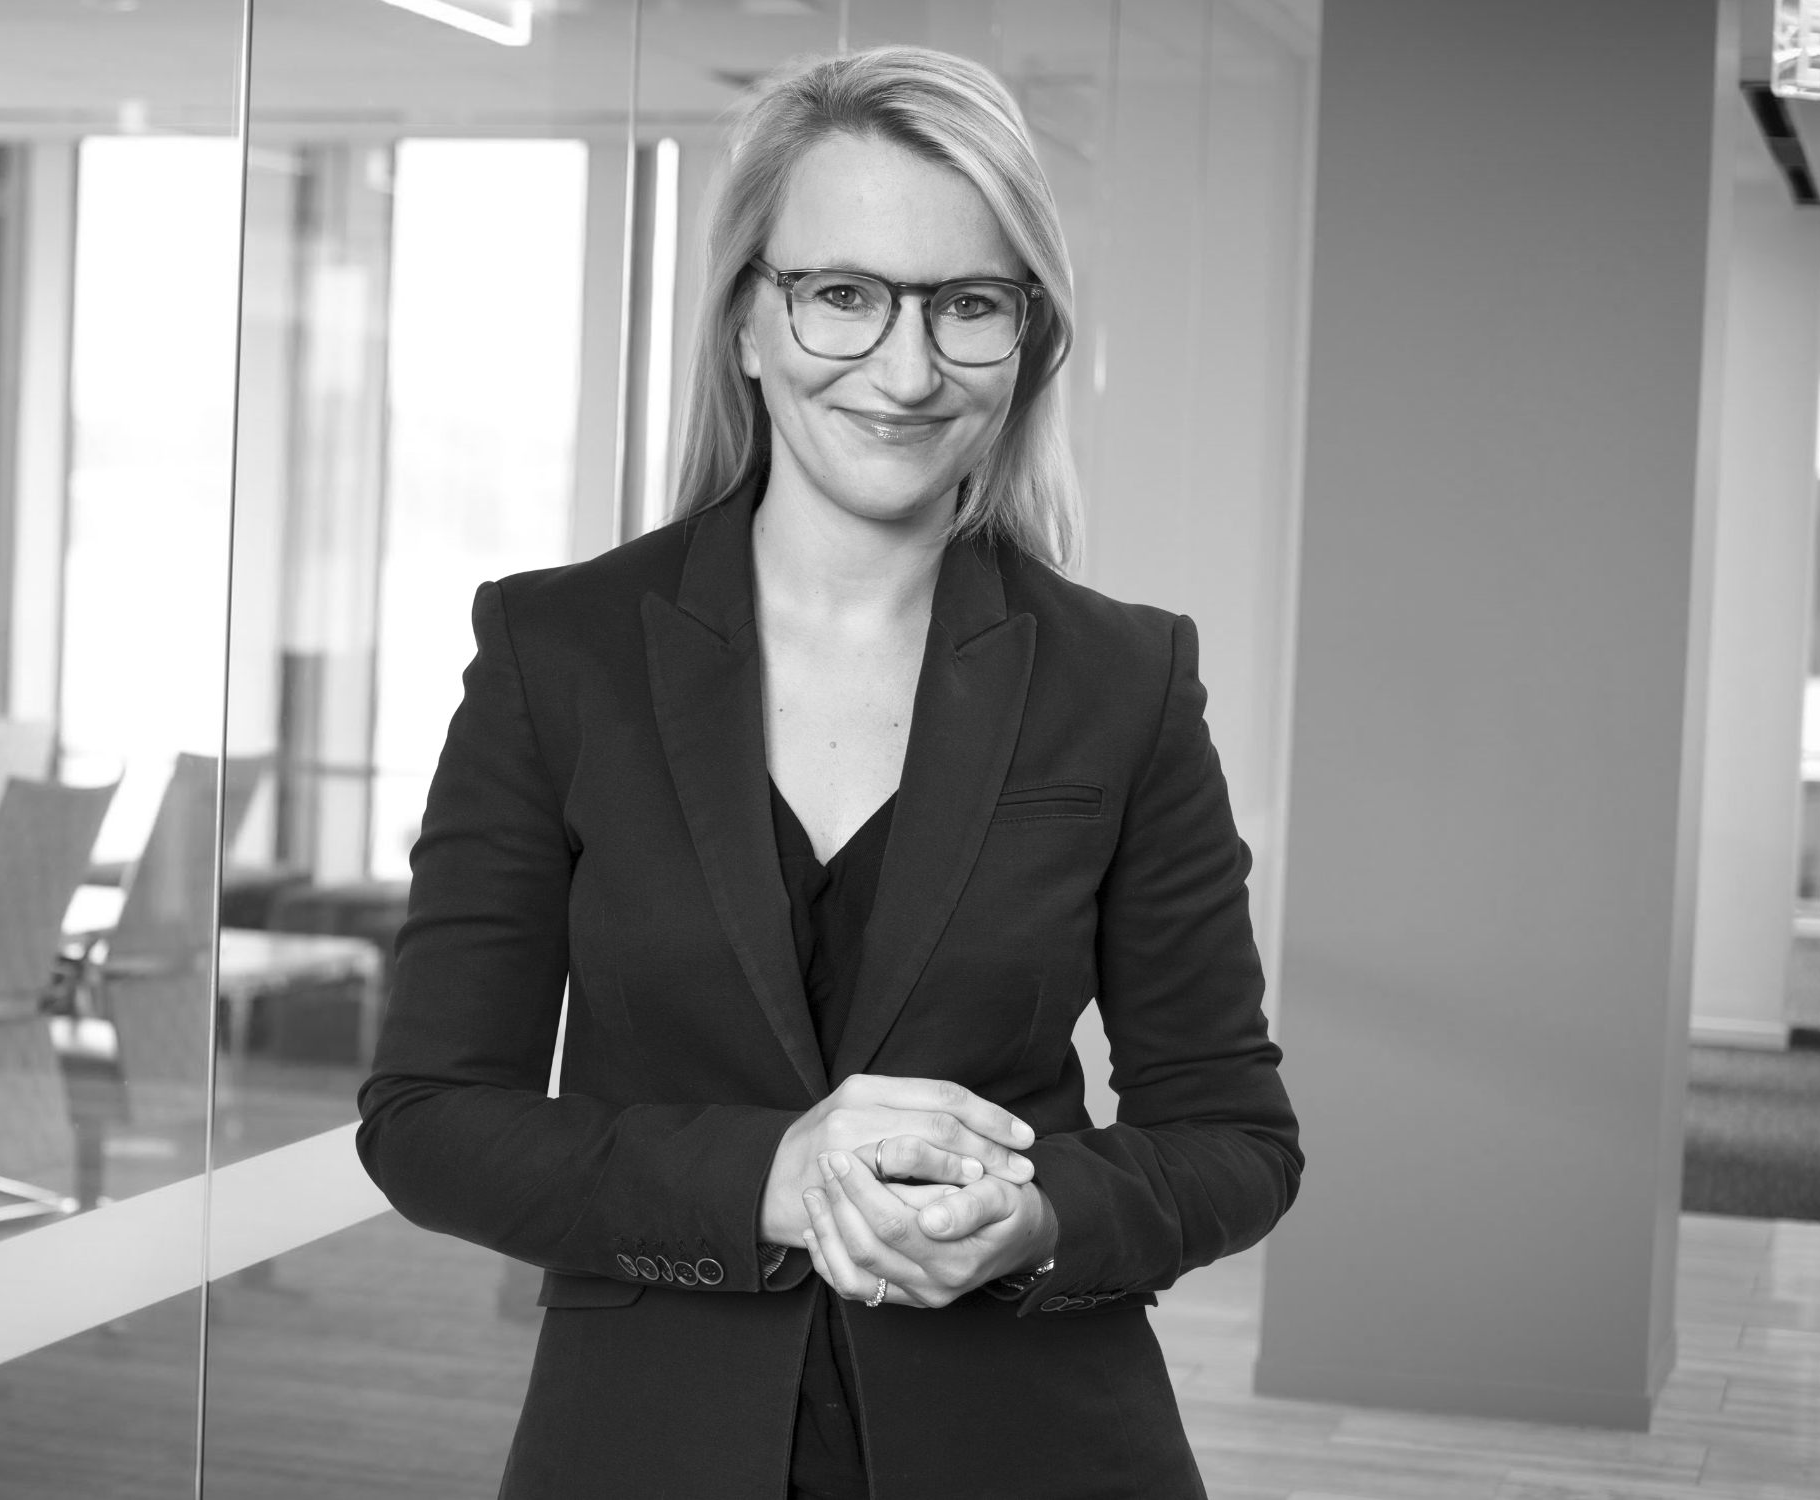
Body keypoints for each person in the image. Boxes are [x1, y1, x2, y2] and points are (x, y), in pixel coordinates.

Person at [355, 44, 1299, 1500]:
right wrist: (768, 1178)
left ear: (1027, 338)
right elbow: (428, 1123)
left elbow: (1233, 1139)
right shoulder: (560, 654)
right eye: (844, 294)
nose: (907, 370)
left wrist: (1043, 1216)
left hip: (1038, 1446)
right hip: (646, 1445)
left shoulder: (1125, 678)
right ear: (747, 319)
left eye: (967, 304)